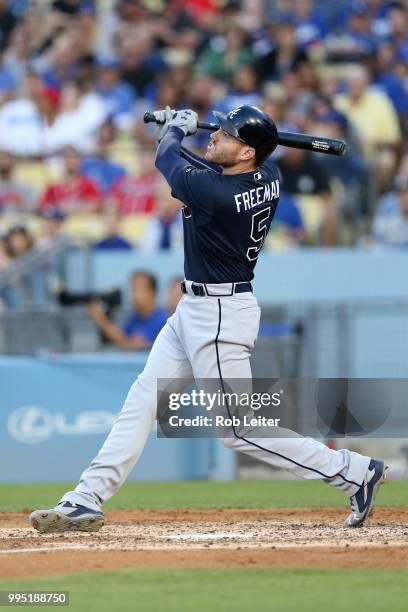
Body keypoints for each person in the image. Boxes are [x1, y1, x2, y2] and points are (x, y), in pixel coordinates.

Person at [29, 105, 386, 535]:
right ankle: (86, 497)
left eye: (227, 133)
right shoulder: (266, 176)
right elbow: (202, 166)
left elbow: (171, 162)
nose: (215, 134)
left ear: (247, 153)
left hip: (219, 317)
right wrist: (180, 135)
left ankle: (353, 471)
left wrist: (173, 133)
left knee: (237, 431)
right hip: (194, 310)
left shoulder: (218, 195)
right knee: (144, 399)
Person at [85, 270, 167, 350]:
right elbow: (122, 337)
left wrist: (101, 319)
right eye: (132, 287)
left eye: (139, 287)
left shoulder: (162, 320)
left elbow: (131, 346)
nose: (133, 292)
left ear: (152, 292)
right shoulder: (135, 317)